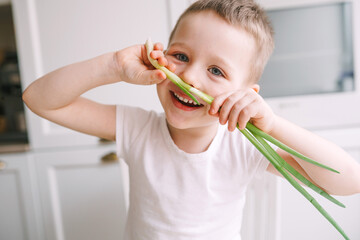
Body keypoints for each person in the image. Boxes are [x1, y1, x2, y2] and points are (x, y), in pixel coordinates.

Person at [22, 0, 360, 239]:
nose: (192, 77)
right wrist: (111, 65)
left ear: (247, 94)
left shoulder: (243, 146)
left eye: (216, 70)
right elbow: (39, 100)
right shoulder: (137, 128)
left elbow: (349, 181)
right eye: (181, 56)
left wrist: (271, 125)